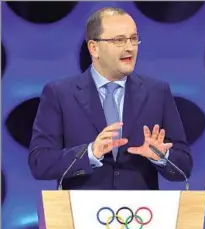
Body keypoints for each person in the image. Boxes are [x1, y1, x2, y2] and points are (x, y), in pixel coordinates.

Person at [28, 7, 193, 190]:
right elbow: (40, 162)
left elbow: (184, 165)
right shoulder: (60, 94)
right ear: (94, 48)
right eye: (119, 40)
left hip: (140, 215)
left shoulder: (157, 92)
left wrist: (162, 156)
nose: (130, 47)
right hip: (81, 214)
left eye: (133, 39)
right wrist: (90, 153)